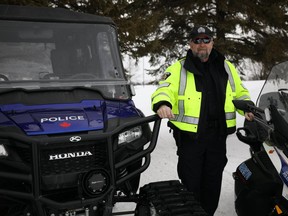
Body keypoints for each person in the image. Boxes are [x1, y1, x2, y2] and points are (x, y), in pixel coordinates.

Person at [151, 25, 254, 216]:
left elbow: (239, 92)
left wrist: (246, 107)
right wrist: (163, 104)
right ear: (190, 44)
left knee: (213, 181)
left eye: (206, 40)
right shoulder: (178, 68)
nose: (201, 45)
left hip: (217, 136)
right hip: (190, 138)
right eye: (197, 40)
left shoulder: (226, 66)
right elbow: (164, 89)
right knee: (191, 182)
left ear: (212, 43)